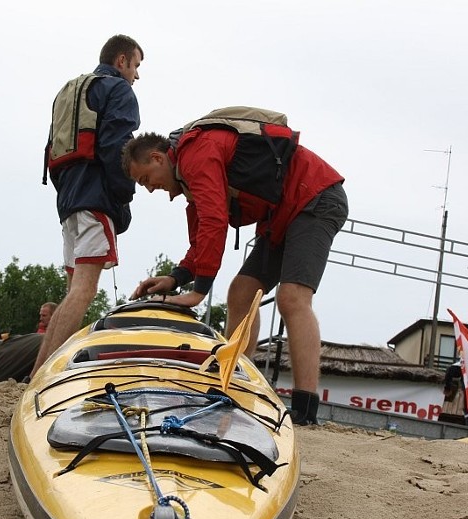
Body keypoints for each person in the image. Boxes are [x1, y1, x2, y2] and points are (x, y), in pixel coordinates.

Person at [121, 110, 348, 425]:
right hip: (280, 215)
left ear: (159, 159)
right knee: (241, 292)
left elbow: (216, 221)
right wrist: (175, 279)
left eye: (145, 179)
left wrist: (198, 292)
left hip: (315, 196)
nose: (148, 189)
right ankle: (233, 386)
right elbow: (201, 239)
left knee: (292, 297)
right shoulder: (189, 179)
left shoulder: (196, 154)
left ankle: (305, 410)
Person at [31, 34, 144, 376]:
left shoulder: (71, 90)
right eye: (136, 65)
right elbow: (118, 149)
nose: (137, 75)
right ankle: (46, 377)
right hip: (95, 197)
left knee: (71, 292)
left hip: (67, 199)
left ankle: (37, 374)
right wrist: (123, 196)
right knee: (84, 290)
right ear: (121, 60)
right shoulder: (118, 90)